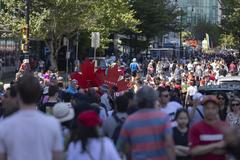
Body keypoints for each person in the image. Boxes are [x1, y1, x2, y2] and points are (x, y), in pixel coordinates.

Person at [0, 73, 63, 160]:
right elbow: (57, 157)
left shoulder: (5, 125)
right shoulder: (53, 124)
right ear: (38, 94)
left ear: (18, 95)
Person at [117, 86, 175, 160]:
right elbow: (169, 145)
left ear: (137, 100)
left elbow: (121, 146)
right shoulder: (163, 117)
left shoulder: (130, 120)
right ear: (154, 99)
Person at [189, 95, 226, 160]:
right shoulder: (195, 128)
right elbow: (193, 151)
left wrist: (203, 149)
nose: (210, 111)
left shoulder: (225, 127)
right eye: (207, 108)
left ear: (217, 109)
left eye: (213, 108)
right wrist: (216, 145)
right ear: (203, 109)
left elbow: (228, 150)